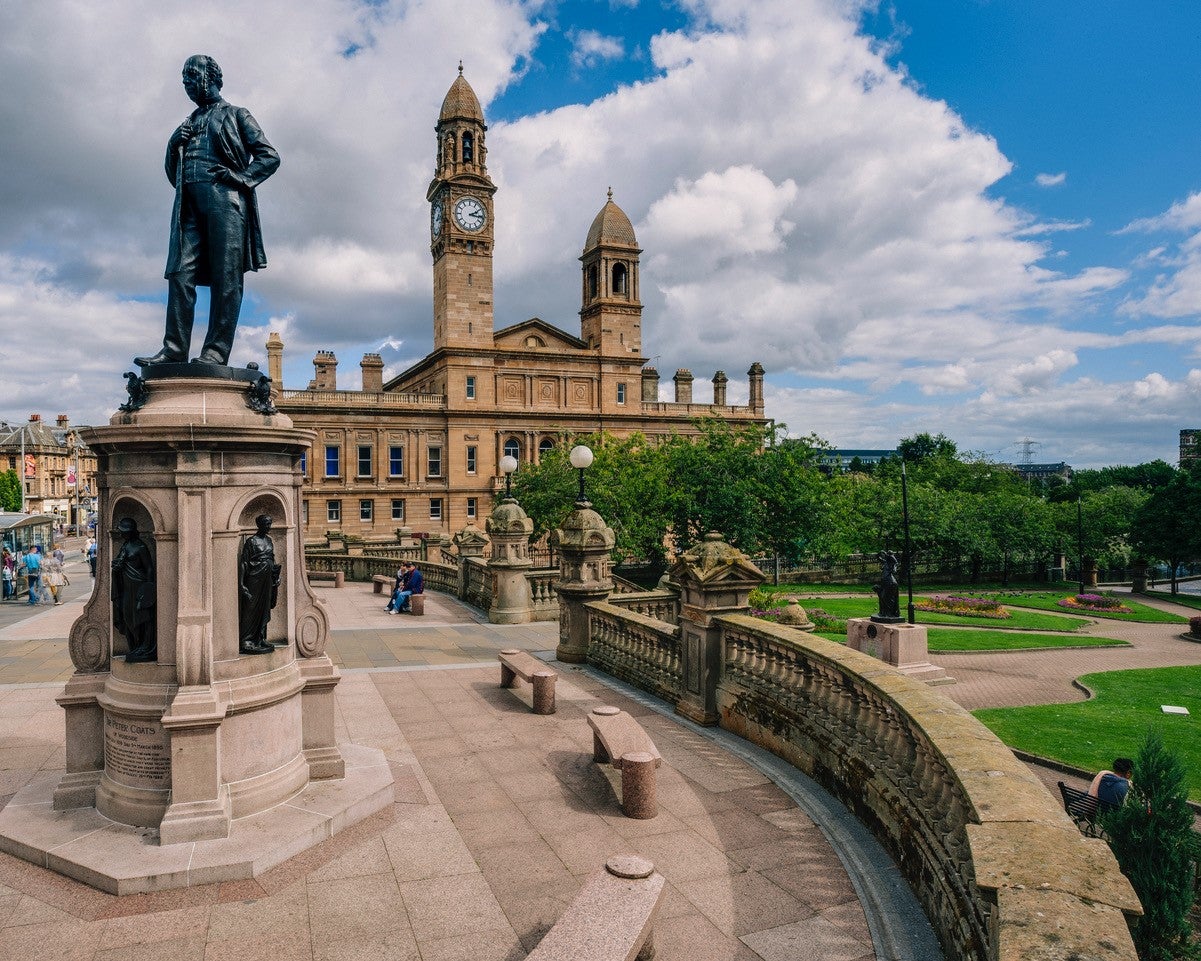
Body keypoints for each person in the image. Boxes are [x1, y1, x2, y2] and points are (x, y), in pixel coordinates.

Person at [135, 55, 280, 368]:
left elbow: (269, 157)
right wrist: (172, 144)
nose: (186, 83)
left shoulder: (237, 114)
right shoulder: (186, 123)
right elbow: (173, 174)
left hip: (226, 203)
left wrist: (241, 178)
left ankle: (215, 351)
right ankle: (174, 349)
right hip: (188, 207)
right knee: (179, 273)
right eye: (184, 78)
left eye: (192, 76)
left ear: (213, 77)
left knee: (226, 278)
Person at [111, 518, 157, 663]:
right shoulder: (125, 546)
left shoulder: (140, 547)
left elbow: (149, 568)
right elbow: (120, 563)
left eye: (124, 532)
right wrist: (117, 567)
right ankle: (135, 646)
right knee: (127, 615)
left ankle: (145, 646)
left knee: (142, 617)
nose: (122, 534)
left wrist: (148, 590)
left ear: (131, 532)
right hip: (127, 587)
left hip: (139, 587)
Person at [238, 514, 281, 655]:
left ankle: (260, 637)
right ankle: (246, 640)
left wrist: (276, 577)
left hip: (267, 579)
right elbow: (244, 562)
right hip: (254, 579)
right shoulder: (251, 541)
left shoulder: (269, 541)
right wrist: (241, 583)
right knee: (251, 609)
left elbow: (272, 560)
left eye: (270, 523)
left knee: (265, 608)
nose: (269, 527)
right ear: (259, 525)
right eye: (267, 524)